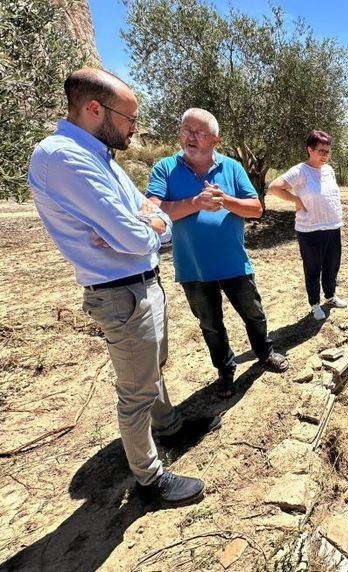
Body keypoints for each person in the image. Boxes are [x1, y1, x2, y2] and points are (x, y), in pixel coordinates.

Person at [28, 68, 218, 505]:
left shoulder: (98, 157)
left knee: (153, 368)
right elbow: (135, 236)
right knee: (135, 392)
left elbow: (152, 220)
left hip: (141, 283)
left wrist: (146, 222)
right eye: (130, 118)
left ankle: (168, 426)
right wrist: (141, 226)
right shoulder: (63, 158)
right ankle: (150, 480)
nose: (135, 127)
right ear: (95, 109)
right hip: (121, 292)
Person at [147, 108, 288, 398]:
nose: (190, 137)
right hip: (193, 267)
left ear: (215, 140)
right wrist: (196, 202)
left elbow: (255, 209)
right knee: (210, 325)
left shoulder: (232, 168)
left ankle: (264, 353)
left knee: (254, 313)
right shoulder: (165, 169)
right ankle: (225, 372)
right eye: (186, 130)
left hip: (234, 263)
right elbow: (152, 211)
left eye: (199, 133)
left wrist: (225, 200)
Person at [267, 130, 347, 321]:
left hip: (332, 226)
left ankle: (330, 296)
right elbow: (274, 187)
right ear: (310, 150)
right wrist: (296, 200)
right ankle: (314, 304)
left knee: (332, 265)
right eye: (321, 151)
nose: (325, 155)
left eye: (328, 151)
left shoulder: (329, 170)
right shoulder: (300, 171)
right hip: (310, 230)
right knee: (313, 269)